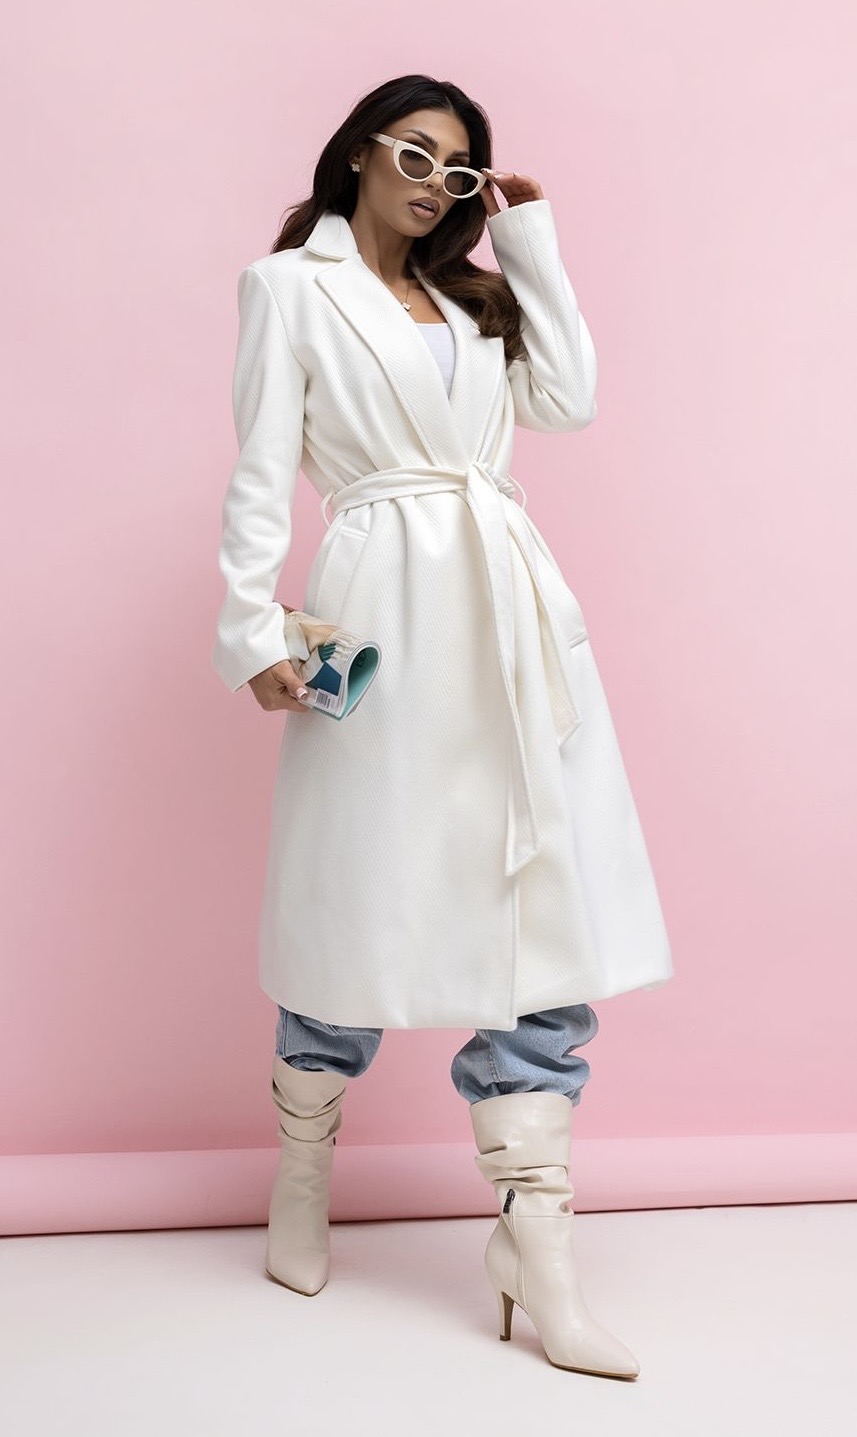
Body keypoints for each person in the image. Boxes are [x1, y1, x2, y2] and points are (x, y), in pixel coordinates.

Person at [212, 73, 673, 1380]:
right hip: (378, 605)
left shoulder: (474, 298)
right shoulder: (288, 288)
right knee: (349, 890)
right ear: (361, 153)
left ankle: (538, 1247)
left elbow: (567, 398)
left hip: (509, 608)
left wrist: (526, 240)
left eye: (459, 172)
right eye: (416, 155)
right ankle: (305, 1164)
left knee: (537, 901)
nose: (435, 184)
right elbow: (259, 471)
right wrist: (252, 628)